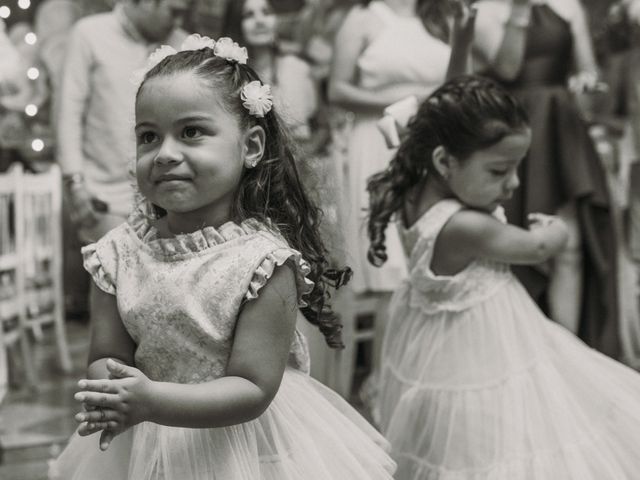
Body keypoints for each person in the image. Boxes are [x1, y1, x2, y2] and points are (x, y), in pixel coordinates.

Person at [48, 34, 396, 480]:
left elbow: (252, 387)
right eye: (148, 136)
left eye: (191, 132)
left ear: (250, 147)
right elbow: (106, 353)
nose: (165, 154)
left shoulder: (263, 263)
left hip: (241, 449)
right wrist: (113, 390)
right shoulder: (117, 252)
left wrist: (152, 400)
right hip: (146, 445)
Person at [367, 74, 640, 479]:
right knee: (498, 438)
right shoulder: (467, 227)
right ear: (445, 161)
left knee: (455, 442)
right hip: (481, 348)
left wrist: (460, 45)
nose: (513, 184)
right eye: (499, 171)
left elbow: (445, 106)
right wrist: (557, 230)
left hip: (432, 344)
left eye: (517, 169)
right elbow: (536, 248)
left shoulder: (416, 188)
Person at [471, 0, 621, 357]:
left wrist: (585, 81)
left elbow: (586, 68)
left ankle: (566, 350)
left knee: (569, 242)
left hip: (559, 125)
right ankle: (521, 346)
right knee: (515, 237)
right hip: (508, 126)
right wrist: (519, 12)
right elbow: (507, 68)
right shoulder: (485, 10)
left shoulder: (568, 6)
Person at [57, 0, 188, 245]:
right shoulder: (89, 34)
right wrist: (75, 186)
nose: (178, 22)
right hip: (102, 197)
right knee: (112, 276)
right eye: (174, 12)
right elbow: (69, 113)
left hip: (165, 201)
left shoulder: (183, 43)